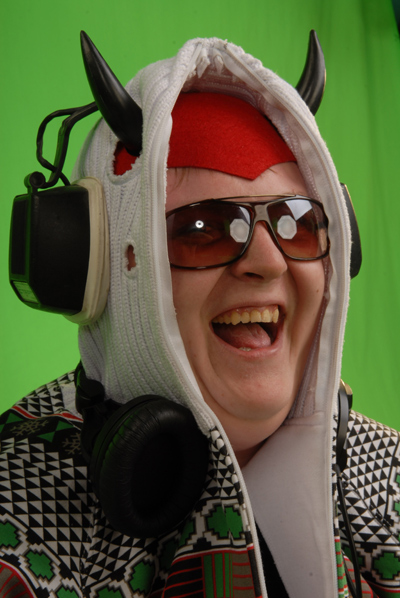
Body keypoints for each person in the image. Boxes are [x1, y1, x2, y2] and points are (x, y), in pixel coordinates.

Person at [1, 31, 399, 598]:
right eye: (201, 228)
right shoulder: (16, 512)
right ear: (94, 264)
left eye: (296, 222)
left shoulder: (391, 483)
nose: (269, 261)